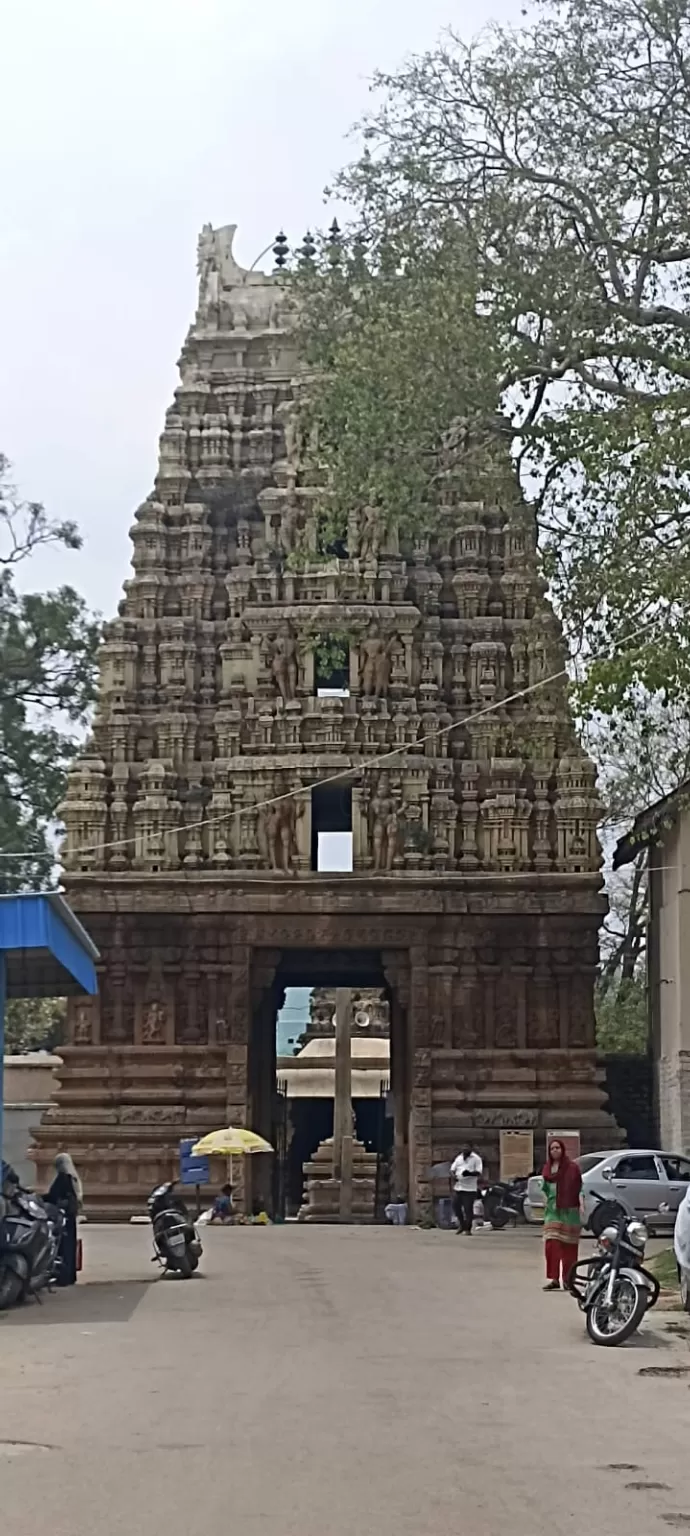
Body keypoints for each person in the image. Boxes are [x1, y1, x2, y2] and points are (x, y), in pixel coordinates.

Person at [541, 1138, 582, 1290]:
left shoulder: (572, 1168)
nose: (555, 1150)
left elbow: (579, 1187)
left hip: (570, 1211)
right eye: (552, 1149)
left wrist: (581, 1202)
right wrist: (545, 1202)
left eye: (557, 1148)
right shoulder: (547, 1168)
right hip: (553, 1211)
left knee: (569, 1248)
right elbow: (544, 1188)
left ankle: (568, 1279)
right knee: (552, 1245)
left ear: (562, 1149)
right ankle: (554, 1279)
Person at [46, 1153, 83, 1286]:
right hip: (70, 1218)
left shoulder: (63, 1178)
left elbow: (53, 1196)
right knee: (70, 1247)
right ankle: (70, 1276)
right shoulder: (73, 1178)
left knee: (63, 1247)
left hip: (63, 1217)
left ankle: (63, 1276)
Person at [450, 1141, 484, 1235]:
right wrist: (453, 1176)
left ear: (471, 1148)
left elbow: (479, 1172)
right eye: (463, 1147)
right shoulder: (459, 1157)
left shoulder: (476, 1159)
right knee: (456, 1207)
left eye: (467, 1147)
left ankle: (468, 1229)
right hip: (458, 1187)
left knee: (467, 1209)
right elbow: (452, 1169)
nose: (465, 1149)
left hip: (470, 1189)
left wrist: (469, 1173)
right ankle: (462, 1224)